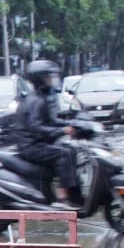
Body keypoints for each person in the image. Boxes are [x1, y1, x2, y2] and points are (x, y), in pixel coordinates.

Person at [14, 60, 82, 208]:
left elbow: (51, 120)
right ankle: (65, 195)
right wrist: (61, 130)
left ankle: (70, 191)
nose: (51, 80)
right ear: (39, 79)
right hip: (31, 146)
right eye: (48, 77)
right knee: (64, 154)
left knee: (71, 150)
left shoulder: (40, 97)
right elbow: (35, 126)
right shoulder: (35, 100)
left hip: (37, 143)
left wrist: (71, 124)